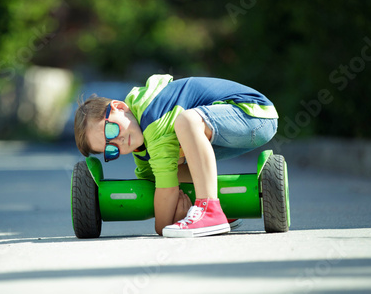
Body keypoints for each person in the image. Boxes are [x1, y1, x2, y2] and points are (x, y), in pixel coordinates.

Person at [74, 74, 278, 238]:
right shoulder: (142, 146)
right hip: (233, 128)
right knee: (171, 168)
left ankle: (210, 209)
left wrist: (163, 225)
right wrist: (178, 214)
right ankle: (224, 208)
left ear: (119, 107)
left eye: (111, 132)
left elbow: (167, 190)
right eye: (111, 150)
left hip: (252, 112)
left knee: (186, 122)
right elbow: (156, 184)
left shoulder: (152, 117)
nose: (119, 142)